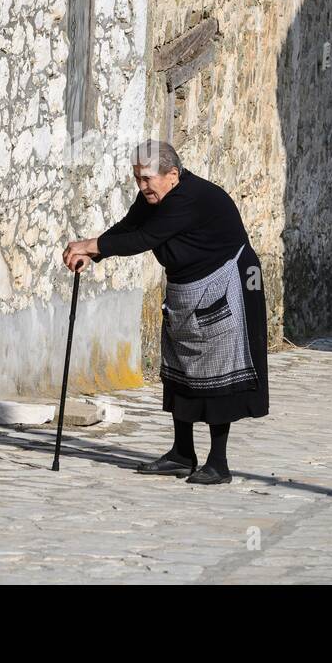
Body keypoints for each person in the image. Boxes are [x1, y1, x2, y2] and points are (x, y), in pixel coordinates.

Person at [62, 141, 268, 485]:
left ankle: (219, 463)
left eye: (147, 179)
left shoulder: (191, 198)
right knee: (179, 367)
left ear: (172, 175)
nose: (142, 186)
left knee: (219, 373)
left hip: (225, 285)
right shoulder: (153, 199)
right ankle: (181, 454)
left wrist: (89, 245)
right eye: (137, 179)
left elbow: (145, 238)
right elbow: (129, 227)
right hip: (185, 288)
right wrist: (94, 254)